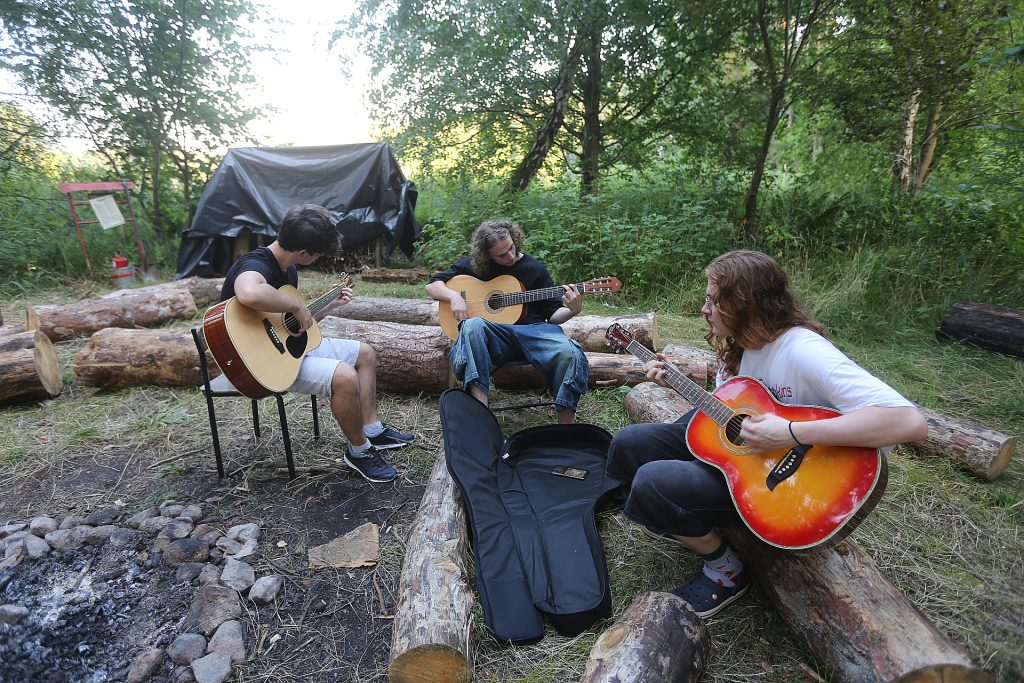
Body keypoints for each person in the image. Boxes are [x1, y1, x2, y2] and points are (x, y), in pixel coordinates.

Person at [607, 250, 928, 617]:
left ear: (746, 304)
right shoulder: (742, 345)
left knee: (652, 482)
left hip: (785, 488)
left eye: (714, 301)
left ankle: (726, 571)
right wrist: (674, 381)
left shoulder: (803, 350)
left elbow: (909, 422)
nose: (704, 309)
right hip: (746, 462)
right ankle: (674, 516)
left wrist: (791, 432)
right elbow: (735, 407)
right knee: (629, 444)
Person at [219, 204, 415, 483]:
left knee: (365, 353)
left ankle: (372, 430)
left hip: (284, 351)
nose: (319, 258)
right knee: (344, 376)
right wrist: (296, 306)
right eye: (319, 254)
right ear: (303, 253)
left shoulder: (289, 272)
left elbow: (290, 326)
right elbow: (249, 293)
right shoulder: (256, 264)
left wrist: (328, 306)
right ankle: (359, 452)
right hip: (255, 365)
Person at [425, 219, 589, 424]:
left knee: (570, 352)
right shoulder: (476, 267)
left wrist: (573, 310)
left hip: (534, 334)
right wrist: (454, 296)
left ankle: (566, 428)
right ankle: (481, 417)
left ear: (514, 239)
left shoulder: (534, 268)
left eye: (511, 248)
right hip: (495, 339)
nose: (510, 256)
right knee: (472, 325)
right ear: (487, 255)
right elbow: (432, 285)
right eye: (501, 255)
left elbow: (553, 313)